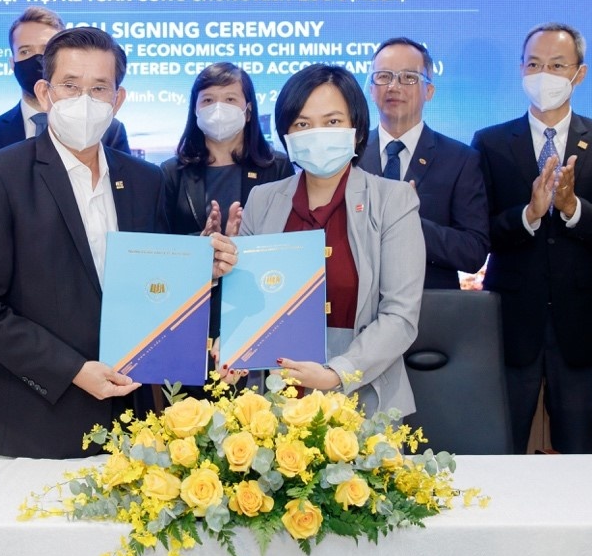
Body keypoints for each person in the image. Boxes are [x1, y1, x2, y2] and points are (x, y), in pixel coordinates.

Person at [0, 27, 236, 458]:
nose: (84, 100)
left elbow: (149, 283)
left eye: (99, 88)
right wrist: (72, 370)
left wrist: (199, 269)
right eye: (70, 86)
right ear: (45, 93)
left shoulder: (144, 180)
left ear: (117, 99)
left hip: (127, 415)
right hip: (30, 419)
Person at [472, 22, 592, 454]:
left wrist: (573, 209)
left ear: (579, 74)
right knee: (501, 452)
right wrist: (528, 214)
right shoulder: (490, 142)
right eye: (534, 64)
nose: (543, 74)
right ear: (521, 70)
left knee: (577, 454)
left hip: (582, 325)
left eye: (557, 65)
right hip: (510, 325)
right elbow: (479, 231)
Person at [236, 64, 424, 417]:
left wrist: (337, 373)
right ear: (286, 134)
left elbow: (400, 316)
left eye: (332, 121)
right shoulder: (262, 200)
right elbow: (246, 303)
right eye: (303, 124)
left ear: (357, 129)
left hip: (364, 397)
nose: (317, 134)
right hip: (272, 401)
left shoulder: (392, 201)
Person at [358, 37, 490, 287]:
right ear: (371, 89)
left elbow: (473, 251)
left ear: (429, 91)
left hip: (429, 304)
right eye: (384, 76)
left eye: (408, 77)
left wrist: (409, 224)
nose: (393, 86)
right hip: (357, 304)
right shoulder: (352, 155)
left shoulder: (460, 159)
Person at [0, 6, 129, 166]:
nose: (38, 59)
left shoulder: (111, 131)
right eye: (25, 51)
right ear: (12, 63)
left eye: (46, 50)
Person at [160, 62, 292, 235]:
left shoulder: (277, 167)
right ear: (195, 110)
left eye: (230, 99)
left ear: (248, 111)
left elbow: (288, 236)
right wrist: (202, 242)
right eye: (208, 100)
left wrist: (243, 240)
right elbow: (159, 240)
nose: (218, 108)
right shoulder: (172, 172)